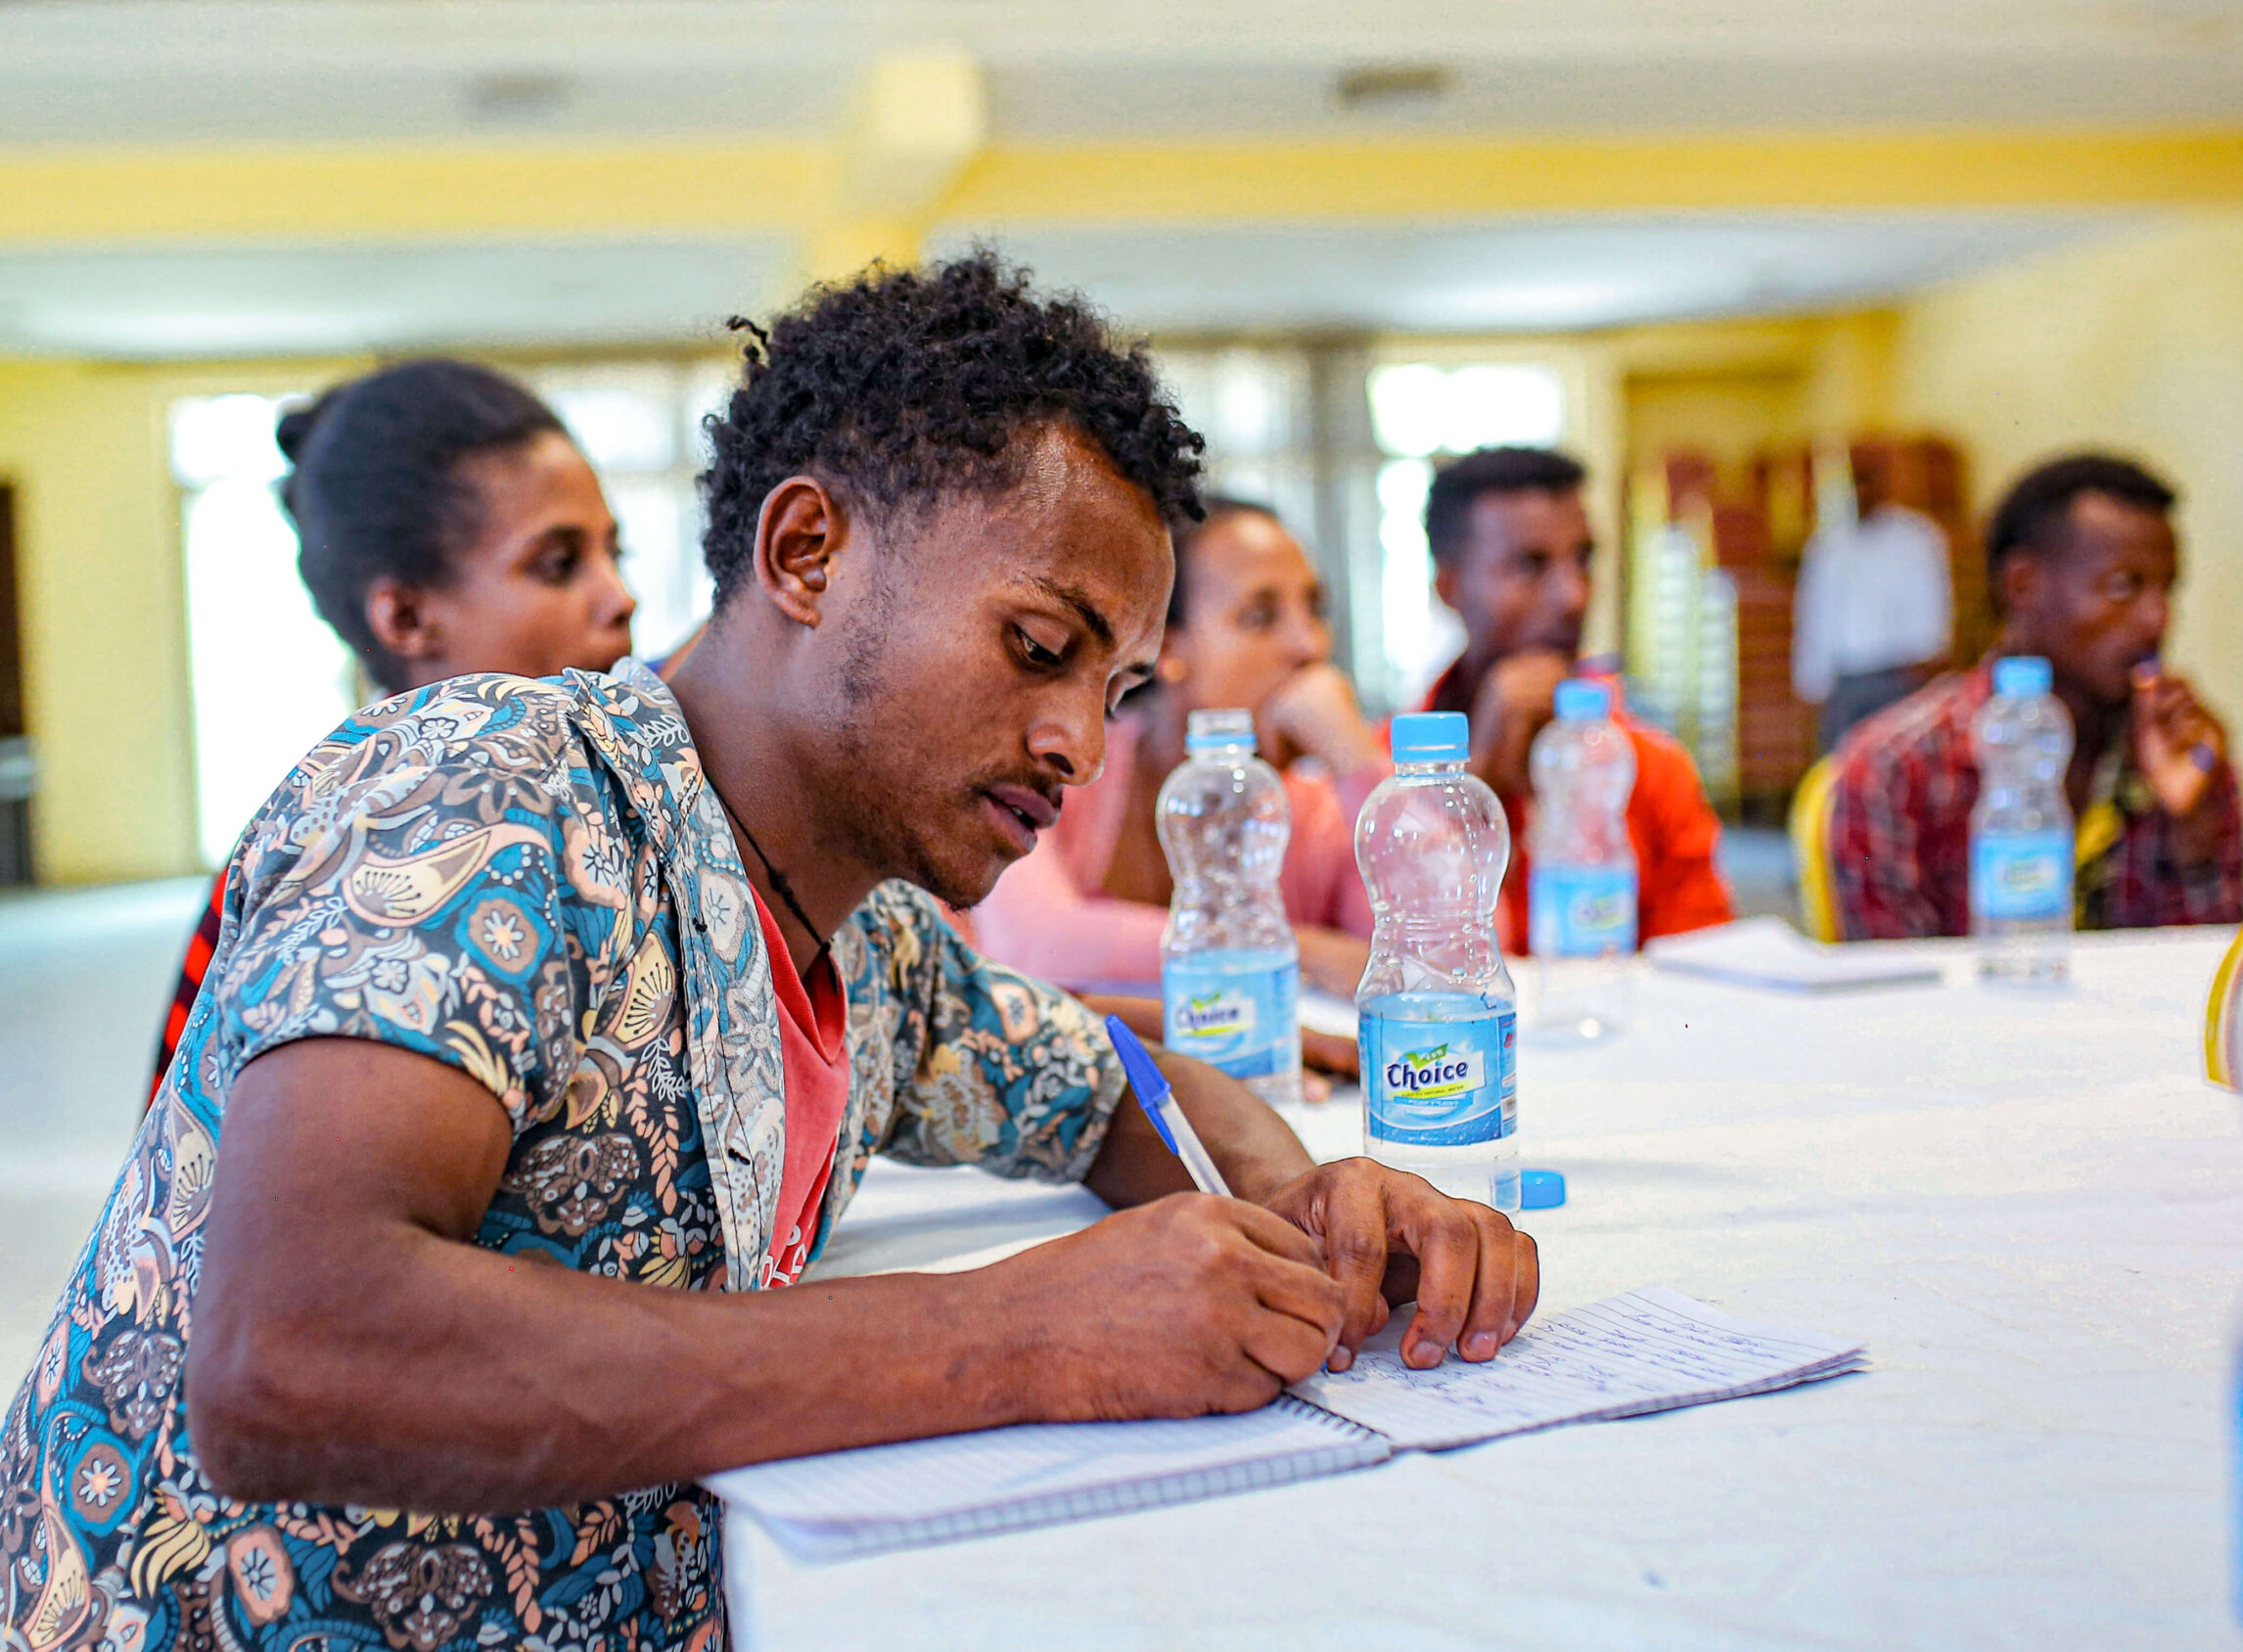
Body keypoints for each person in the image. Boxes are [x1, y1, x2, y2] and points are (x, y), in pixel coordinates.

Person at [2, 254, 1537, 1652]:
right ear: (808, 550)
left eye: (1119, 681)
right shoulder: (496, 786)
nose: (1078, 738)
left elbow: (1126, 1080)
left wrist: (1297, 1205)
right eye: (1036, 643)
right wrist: (1014, 1333)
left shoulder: (868, 941)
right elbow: (293, 1350)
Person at [148, 360, 638, 1096]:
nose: (620, 597)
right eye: (559, 563)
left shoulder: (625, 802)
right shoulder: (323, 874)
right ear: (408, 617)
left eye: (614, 552)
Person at [970, 497, 1382, 999]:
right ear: (1164, 646)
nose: (1310, 645)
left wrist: (1357, 763)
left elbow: (1442, 951)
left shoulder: (1319, 808)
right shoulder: (1060, 764)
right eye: (1260, 616)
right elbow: (1033, 942)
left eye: (1315, 609)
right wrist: (1297, 949)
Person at [1827, 451, 2243, 940]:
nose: (2158, 619)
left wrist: (2192, 832)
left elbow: (2207, 986)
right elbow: (1894, 1002)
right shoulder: (1896, 769)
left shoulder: (2186, 757)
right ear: (2022, 584)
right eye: (2122, 587)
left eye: (2167, 589)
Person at [1417, 446, 1732, 951]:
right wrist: (1480, 787)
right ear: (1450, 586)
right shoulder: (1380, 769)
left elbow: (1704, 972)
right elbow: (1389, 967)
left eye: (1583, 560)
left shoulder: (1648, 765)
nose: (1575, 596)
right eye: (1529, 565)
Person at [1791, 443, 1955, 753]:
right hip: (1845, 681)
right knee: (1841, 774)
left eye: (1869, 480)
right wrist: (1811, 682)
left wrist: (1925, 663)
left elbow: (1933, 606)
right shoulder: (1828, 543)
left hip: (1899, 676)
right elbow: (1815, 616)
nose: (1861, 490)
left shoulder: (1917, 537)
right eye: (1855, 482)